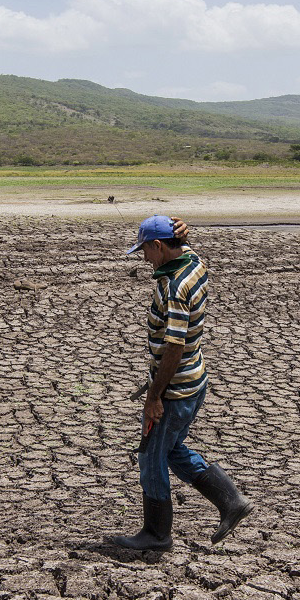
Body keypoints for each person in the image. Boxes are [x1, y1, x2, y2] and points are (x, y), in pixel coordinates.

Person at [108, 215, 253, 551]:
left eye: (145, 249)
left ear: (159, 245)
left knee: (151, 457)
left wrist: (155, 397)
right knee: (171, 450)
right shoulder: (195, 263)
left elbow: (174, 346)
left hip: (175, 389)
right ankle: (231, 502)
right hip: (194, 380)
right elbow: (186, 248)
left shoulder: (175, 288)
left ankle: (157, 534)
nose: (144, 258)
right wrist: (185, 235)